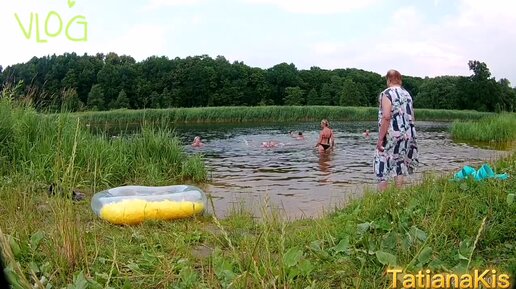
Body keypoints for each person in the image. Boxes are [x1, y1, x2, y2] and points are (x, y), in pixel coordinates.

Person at [374, 69, 419, 192]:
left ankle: (383, 196)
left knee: (381, 160)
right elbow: (412, 117)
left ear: (388, 80)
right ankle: (398, 195)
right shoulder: (407, 94)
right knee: (399, 162)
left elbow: (386, 116)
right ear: (400, 80)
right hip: (408, 134)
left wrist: (380, 139)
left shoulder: (386, 94)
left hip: (392, 134)